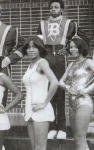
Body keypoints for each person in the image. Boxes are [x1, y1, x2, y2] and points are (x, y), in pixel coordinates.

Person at [37, 0, 90, 139]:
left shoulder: (70, 23)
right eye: (51, 7)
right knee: (49, 92)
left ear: (62, 9)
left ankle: (62, 127)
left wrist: (68, 49)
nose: (53, 9)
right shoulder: (42, 24)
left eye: (56, 7)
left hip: (61, 60)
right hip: (47, 59)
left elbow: (85, 39)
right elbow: (38, 43)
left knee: (60, 94)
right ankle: (52, 127)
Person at [22, 36, 58, 150]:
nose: (31, 50)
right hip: (29, 109)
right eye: (28, 47)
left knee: (40, 147)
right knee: (33, 147)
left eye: (34, 47)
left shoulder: (42, 63)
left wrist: (44, 103)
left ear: (40, 49)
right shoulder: (30, 66)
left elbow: (55, 82)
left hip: (41, 109)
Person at [59, 37, 94, 150]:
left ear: (81, 47)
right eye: (71, 47)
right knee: (77, 139)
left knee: (80, 138)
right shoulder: (71, 64)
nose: (73, 49)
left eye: (75, 47)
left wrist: (85, 90)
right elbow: (60, 81)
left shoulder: (88, 62)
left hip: (84, 102)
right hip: (72, 103)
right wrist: (68, 88)